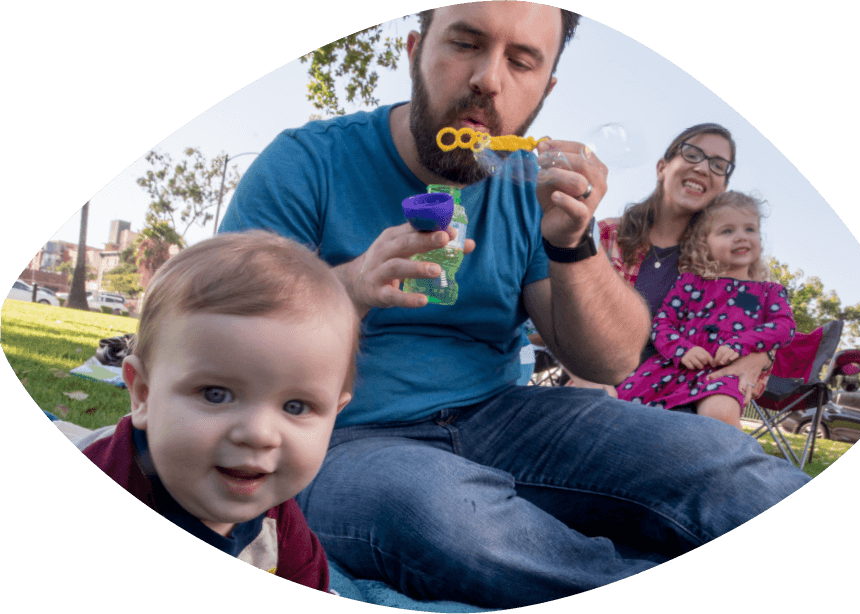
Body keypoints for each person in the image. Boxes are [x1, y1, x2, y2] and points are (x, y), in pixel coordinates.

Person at [219, 3, 811, 608]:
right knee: (444, 514)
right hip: (340, 436)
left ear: (545, 89)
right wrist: (348, 286)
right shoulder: (307, 162)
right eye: (466, 44)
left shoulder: (526, 185)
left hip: (501, 415)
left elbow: (610, 361)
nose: (489, 80)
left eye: (522, 62)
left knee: (712, 454)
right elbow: (223, 334)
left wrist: (572, 244)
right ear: (415, 52)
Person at [71, 230, 359, 592]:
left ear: (335, 415)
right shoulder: (114, 472)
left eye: (296, 406)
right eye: (216, 394)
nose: (258, 433)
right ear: (143, 394)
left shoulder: (280, 523)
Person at [616, 191, 796, 427]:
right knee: (621, 406)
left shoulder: (769, 292)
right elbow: (662, 323)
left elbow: (784, 327)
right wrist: (681, 349)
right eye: (727, 231)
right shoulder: (690, 283)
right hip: (671, 368)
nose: (741, 237)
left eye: (750, 229)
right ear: (705, 243)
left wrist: (744, 342)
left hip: (723, 373)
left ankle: (732, 462)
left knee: (720, 413)